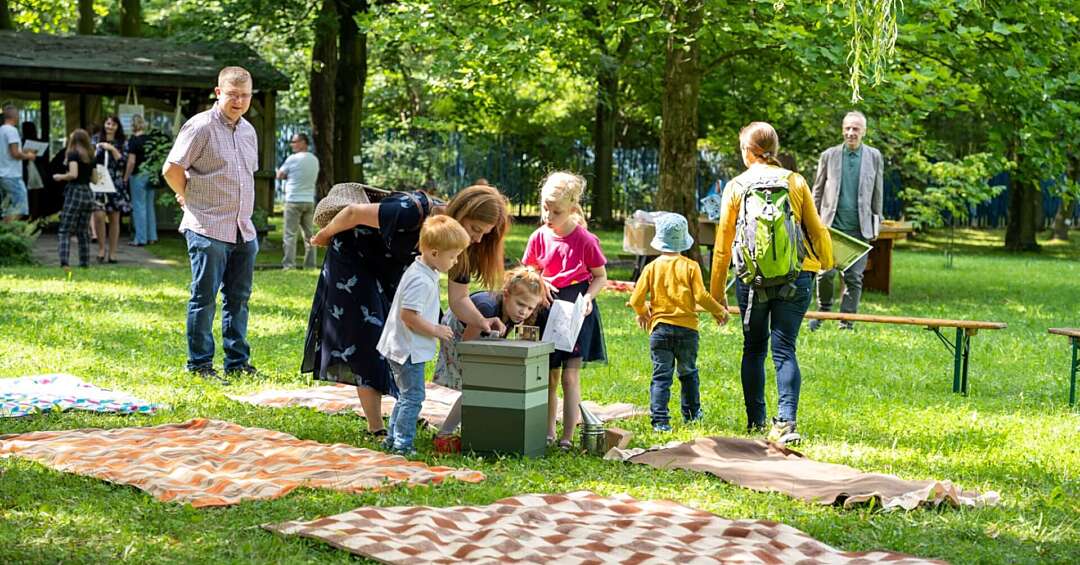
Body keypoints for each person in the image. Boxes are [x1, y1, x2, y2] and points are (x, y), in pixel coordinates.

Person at [304, 184, 511, 438]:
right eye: (476, 229)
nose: (478, 239)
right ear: (461, 211)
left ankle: (404, 411)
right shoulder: (412, 211)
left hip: (395, 267)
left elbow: (459, 299)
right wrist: (323, 237)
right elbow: (353, 213)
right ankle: (376, 427)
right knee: (368, 336)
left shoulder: (458, 244)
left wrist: (483, 321)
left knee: (405, 340)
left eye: (484, 234)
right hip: (354, 258)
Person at [709, 122, 833, 446]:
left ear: (748, 153)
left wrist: (715, 294)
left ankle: (755, 421)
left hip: (752, 281)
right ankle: (787, 421)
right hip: (797, 275)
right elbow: (817, 230)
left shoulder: (736, 186)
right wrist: (826, 263)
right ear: (774, 150)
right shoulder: (795, 181)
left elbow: (722, 245)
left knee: (753, 349)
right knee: (784, 349)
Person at [163, 66, 261, 384]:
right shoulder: (200, 126)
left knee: (238, 299)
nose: (239, 101)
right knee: (204, 298)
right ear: (218, 92)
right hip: (207, 226)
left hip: (242, 228)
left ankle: (238, 362)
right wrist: (185, 196)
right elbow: (172, 168)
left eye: (245, 95)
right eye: (233, 94)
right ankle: (200, 365)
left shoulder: (249, 131)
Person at [522, 171, 608, 450]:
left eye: (556, 211)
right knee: (549, 376)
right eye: (545, 208)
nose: (548, 216)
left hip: (575, 311)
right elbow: (529, 268)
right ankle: (547, 431)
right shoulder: (539, 236)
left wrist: (589, 298)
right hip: (547, 307)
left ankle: (568, 436)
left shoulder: (585, 239)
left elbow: (600, 276)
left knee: (570, 377)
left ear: (572, 208)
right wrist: (539, 280)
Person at [376, 215, 471, 456]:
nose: (456, 261)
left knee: (406, 395)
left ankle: (391, 439)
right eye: (453, 256)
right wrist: (436, 330)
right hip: (407, 348)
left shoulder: (424, 270)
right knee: (414, 397)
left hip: (404, 346)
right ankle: (402, 444)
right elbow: (409, 316)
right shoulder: (420, 279)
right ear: (434, 252)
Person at [629, 212, 728, 432]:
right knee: (688, 373)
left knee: (661, 377)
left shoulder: (651, 267)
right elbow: (701, 297)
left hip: (660, 330)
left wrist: (643, 312)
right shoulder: (690, 266)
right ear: (684, 240)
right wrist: (719, 310)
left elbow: (636, 299)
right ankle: (692, 415)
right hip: (687, 331)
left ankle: (660, 422)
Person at [432, 264, 546, 445]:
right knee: (475, 387)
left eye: (530, 308)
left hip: (481, 339)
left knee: (490, 383)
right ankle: (445, 433)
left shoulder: (517, 313)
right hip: (458, 334)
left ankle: (485, 423)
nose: (524, 311)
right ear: (506, 294)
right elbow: (468, 348)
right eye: (520, 304)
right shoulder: (487, 307)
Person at [809, 111, 884, 331]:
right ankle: (823, 312)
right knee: (825, 273)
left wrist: (876, 222)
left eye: (856, 129)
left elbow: (878, 191)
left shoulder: (874, 156)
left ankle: (847, 322)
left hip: (860, 228)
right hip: (830, 227)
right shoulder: (829, 155)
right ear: (843, 129)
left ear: (864, 132)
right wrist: (812, 221)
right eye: (848, 128)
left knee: (854, 277)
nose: (851, 133)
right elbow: (818, 190)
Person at [52, 129, 96, 269]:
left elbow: (73, 174)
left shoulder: (73, 154)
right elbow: (95, 179)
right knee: (83, 231)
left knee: (65, 230)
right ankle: (84, 263)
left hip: (74, 193)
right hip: (87, 193)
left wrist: (60, 176)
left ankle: (64, 263)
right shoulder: (90, 155)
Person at [275, 132, 319, 269]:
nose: (292, 145)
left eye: (294, 142)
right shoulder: (314, 159)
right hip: (309, 201)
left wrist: (281, 173)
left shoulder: (292, 159)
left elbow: (280, 175)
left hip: (293, 200)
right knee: (310, 235)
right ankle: (311, 265)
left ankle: (289, 265)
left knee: (289, 235)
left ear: (303, 143)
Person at [91, 115, 130, 263]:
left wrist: (112, 148)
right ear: (104, 124)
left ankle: (112, 253)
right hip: (99, 181)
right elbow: (89, 158)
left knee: (115, 218)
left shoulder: (122, 142)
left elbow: (122, 162)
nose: (110, 126)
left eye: (113, 124)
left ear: (117, 127)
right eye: (108, 123)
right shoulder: (95, 139)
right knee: (99, 215)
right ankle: (101, 249)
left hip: (115, 182)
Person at [1, 104, 38, 222]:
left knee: (7, 207)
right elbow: (15, 153)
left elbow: (7, 151)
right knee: (21, 208)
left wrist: (23, 151)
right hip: (12, 175)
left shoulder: (1, 130)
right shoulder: (12, 130)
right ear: (15, 116)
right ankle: (3, 232)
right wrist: (29, 156)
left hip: (2, 173)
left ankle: (6, 234)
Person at [124, 114, 157, 247]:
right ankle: (152, 236)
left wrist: (125, 177)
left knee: (139, 208)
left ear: (133, 125)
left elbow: (131, 162)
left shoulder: (133, 140)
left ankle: (140, 239)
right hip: (150, 175)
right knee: (149, 207)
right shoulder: (150, 140)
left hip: (138, 175)